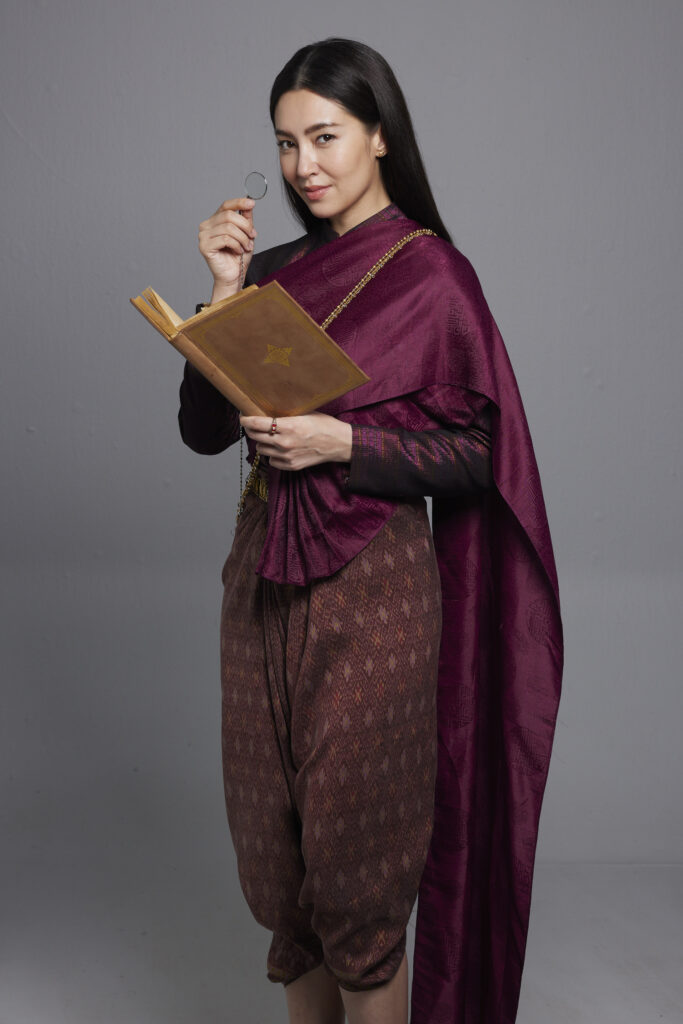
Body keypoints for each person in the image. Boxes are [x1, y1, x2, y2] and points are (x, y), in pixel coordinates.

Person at [178, 38, 563, 1024]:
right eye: (285, 143)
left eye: (325, 136)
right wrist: (221, 292)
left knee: (356, 876)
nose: (303, 165)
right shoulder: (270, 271)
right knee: (277, 869)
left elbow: (482, 453)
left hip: (372, 592)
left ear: (379, 134)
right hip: (257, 582)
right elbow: (202, 430)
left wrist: (343, 441)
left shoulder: (434, 276)